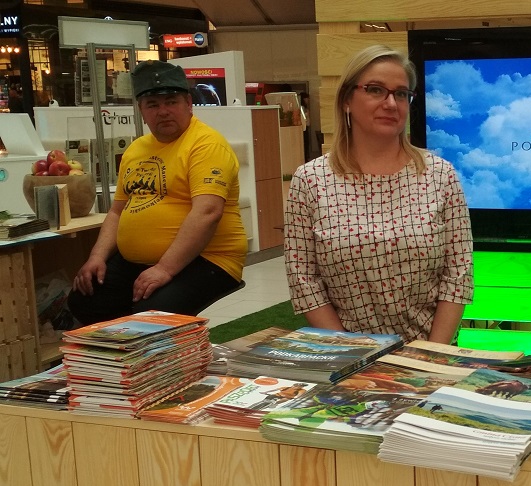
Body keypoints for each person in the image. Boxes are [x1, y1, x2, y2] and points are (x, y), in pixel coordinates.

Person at [283, 45, 473, 344]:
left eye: (401, 94)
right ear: (347, 100)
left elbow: (458, 275)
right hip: (346, 352)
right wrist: (352, 352)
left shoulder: (440, 174)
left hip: (429, 350)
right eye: (375, 90)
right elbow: (304, 280)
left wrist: (430, 354)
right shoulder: (310, 180)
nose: (391, 103)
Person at [68, 60, 246, 325]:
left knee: (153, 313)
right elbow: (117, 212)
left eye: (171, 102)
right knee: (84, 298)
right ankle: (123, 350)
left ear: (189, 103)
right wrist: (97, 257)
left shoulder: (206, 145)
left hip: (209, 259)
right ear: (141, 110)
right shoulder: (136, 149)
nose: (163, 111)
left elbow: (208, 212)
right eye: (152, 104)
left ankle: (160, 348)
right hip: (137, 262)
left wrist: (164, 269)